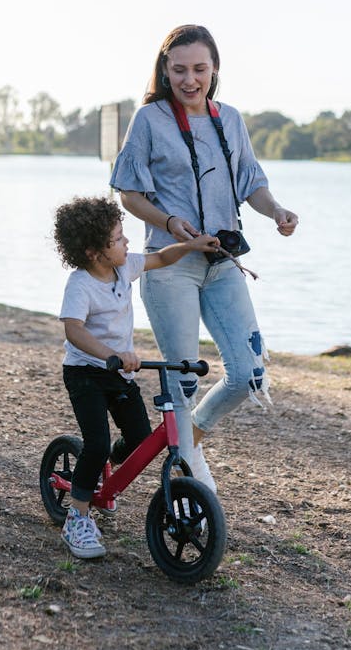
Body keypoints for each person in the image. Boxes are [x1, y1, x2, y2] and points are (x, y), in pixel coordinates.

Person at [109, 24, 298, 493]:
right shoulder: (149, 119)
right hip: (170, 264)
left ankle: (184, 439)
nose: (189, 79)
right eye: (179, 70)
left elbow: (250, 182)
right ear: (165, 70)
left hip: (223, 264)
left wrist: (275, 210)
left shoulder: (230, 118)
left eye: (199, 69)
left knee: (250, 374)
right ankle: (194, 482)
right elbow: (128, 194)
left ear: (214, 70)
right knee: (184, 385)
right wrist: (171, 223)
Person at [53, 195, 219, 559]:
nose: (127, 242)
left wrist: (189, 246)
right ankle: (77, 518)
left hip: (119, 373)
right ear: (95, 251)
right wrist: (111, 354)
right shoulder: (81, 284)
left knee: (141, 440)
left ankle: (100, 472)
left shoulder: (124, 267)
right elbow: (74, 330)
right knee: (95, 443)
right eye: (117, 238)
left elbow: (160, 258)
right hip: (86, 373)